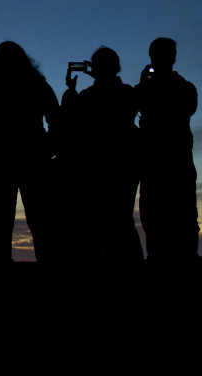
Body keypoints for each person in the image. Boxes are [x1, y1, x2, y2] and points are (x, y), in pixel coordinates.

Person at [0, 41, 59, 260]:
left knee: (1, 220)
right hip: (34, 156)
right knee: (41, 219)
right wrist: (47, 146)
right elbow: (56, 120)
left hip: (4, 156)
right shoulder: (38, 85)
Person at [60, 46, 142, 260]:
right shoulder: (129, 93)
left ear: (94, 69)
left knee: (94, 223)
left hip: (93, 167)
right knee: (123, 221)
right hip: (125, 164)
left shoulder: (86, 97)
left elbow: (67, 120)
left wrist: (70, 89)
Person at [136, 37, 198, 260]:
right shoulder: (184, 87)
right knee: (162, 212)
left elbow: (188, 108)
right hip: (164, 158)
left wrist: (146, 86)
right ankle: (172, 256)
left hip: (167, 158)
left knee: (175, 212)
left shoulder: (182, 87)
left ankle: (178, 256)